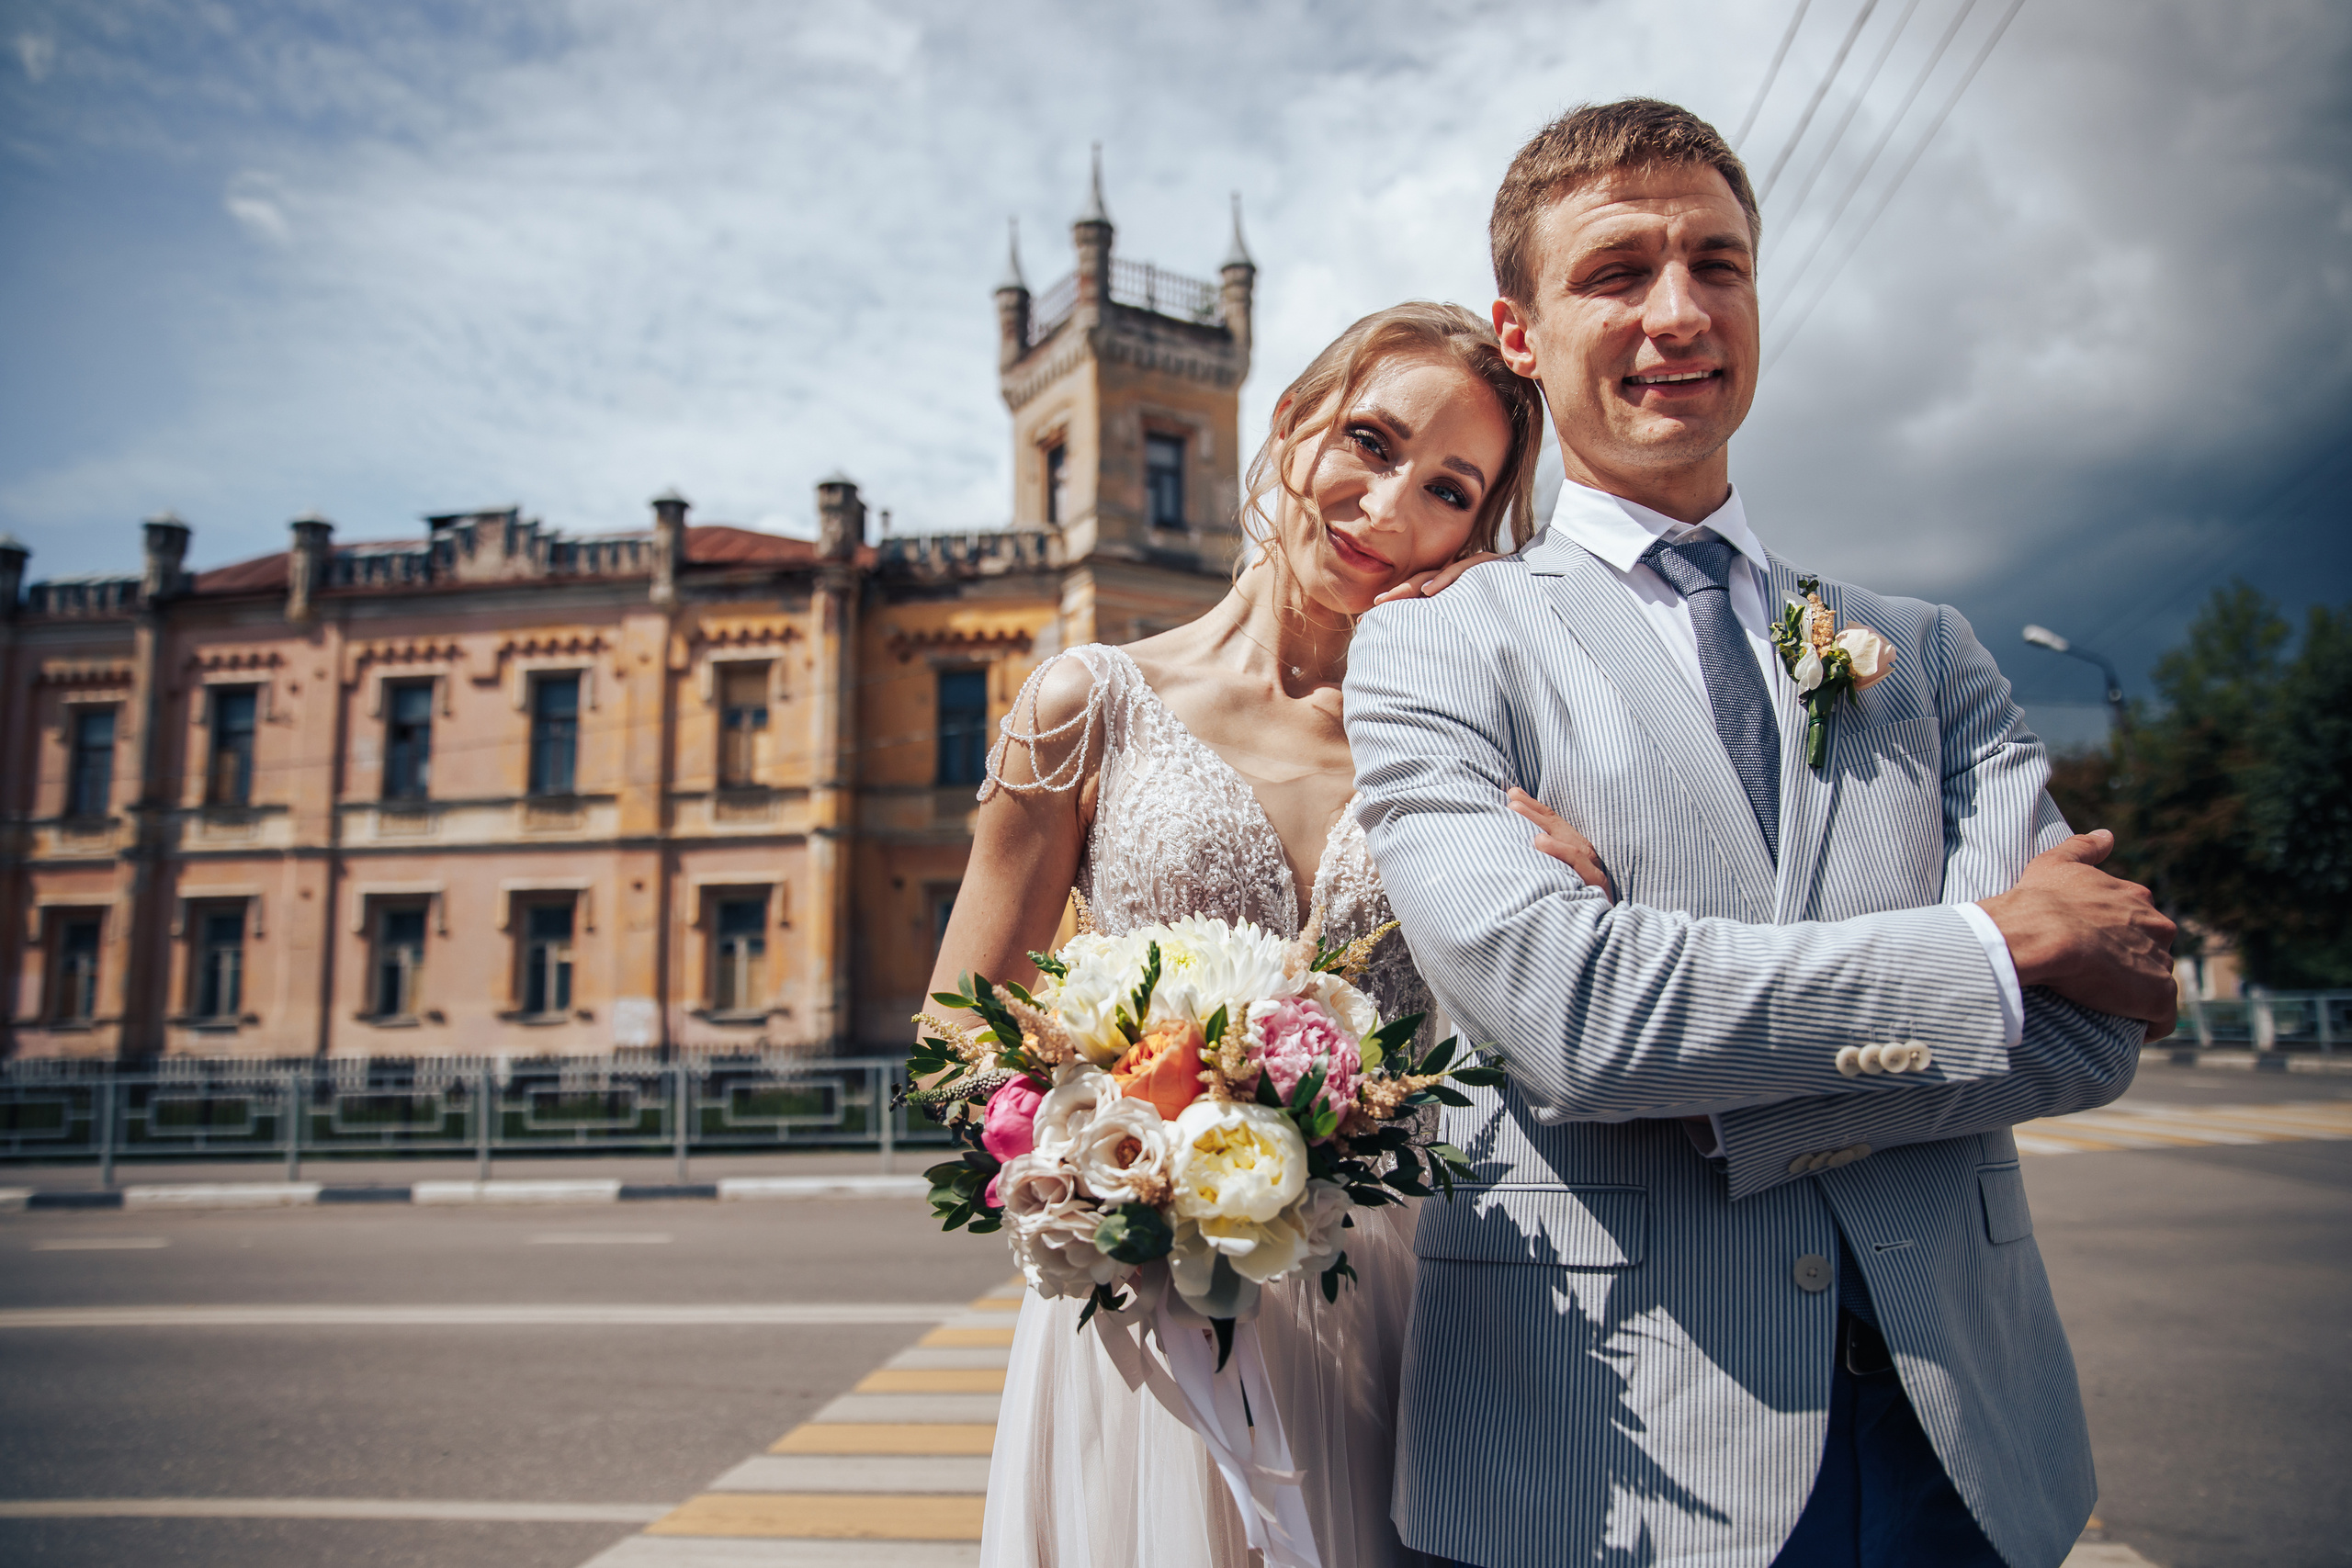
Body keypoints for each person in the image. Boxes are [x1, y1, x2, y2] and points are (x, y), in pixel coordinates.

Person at [1344, 101, 2179, 1568]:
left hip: (1963, 1443)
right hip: (1604, 1459)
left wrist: (1711, 1082)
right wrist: (1997, 945)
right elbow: (1577, 1021)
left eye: (1717, 264)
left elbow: (2088, 1034)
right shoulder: (1435, 650)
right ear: (1522, 334)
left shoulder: (1925, 651)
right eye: (1617, 273)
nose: (1678, 312)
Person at [930, 301, 1566, 1568]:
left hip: (1391, 1299)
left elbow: (1552, 998)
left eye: (1448, 488)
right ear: (1289, 427)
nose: (1390, 507)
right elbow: (958, 1034)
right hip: (1147, 1302)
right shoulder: (1085, 705)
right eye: (1370, 443)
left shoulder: (1464, 749)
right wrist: (1130, 1145)